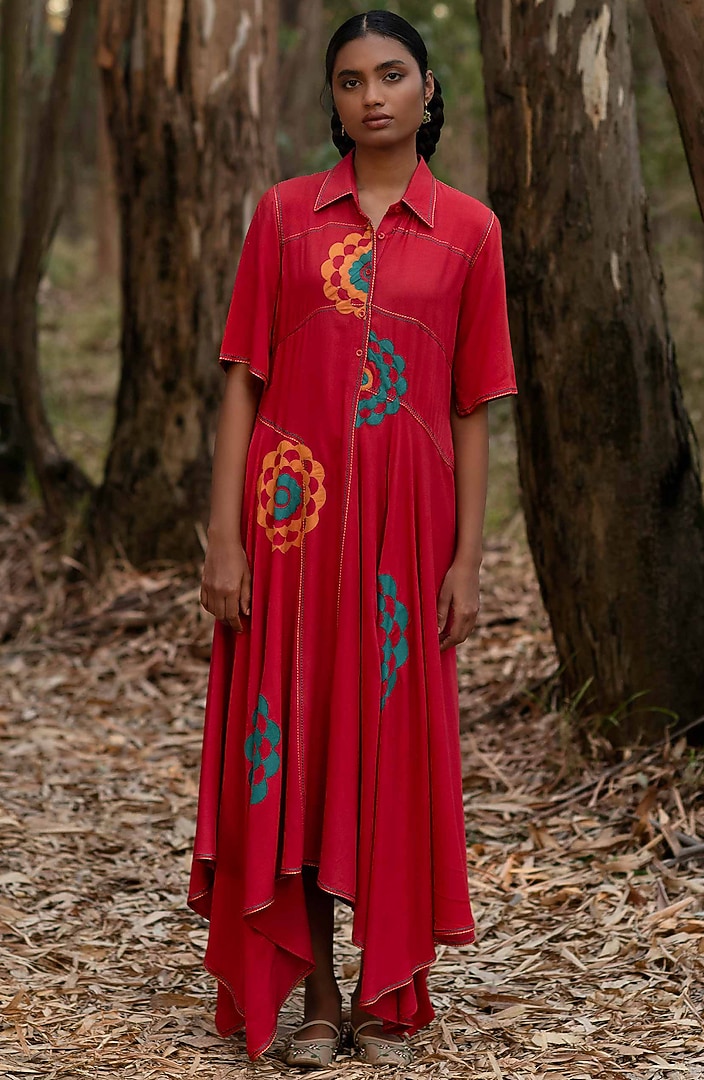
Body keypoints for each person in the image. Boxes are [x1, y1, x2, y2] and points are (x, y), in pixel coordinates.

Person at [188, 8, 516, 1069]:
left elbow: (472, 408)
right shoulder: (285, 216)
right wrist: (225, 541)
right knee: (296, 752)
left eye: (391, 75)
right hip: (289, 530)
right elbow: (244, 380)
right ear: (330, 100)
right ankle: (320, 998)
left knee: (389, 753)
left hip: (405, 545)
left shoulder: (471, 230)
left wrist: (468, 557)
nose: (370, 95)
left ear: (428, 90)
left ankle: (387, 993)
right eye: (348, 80)